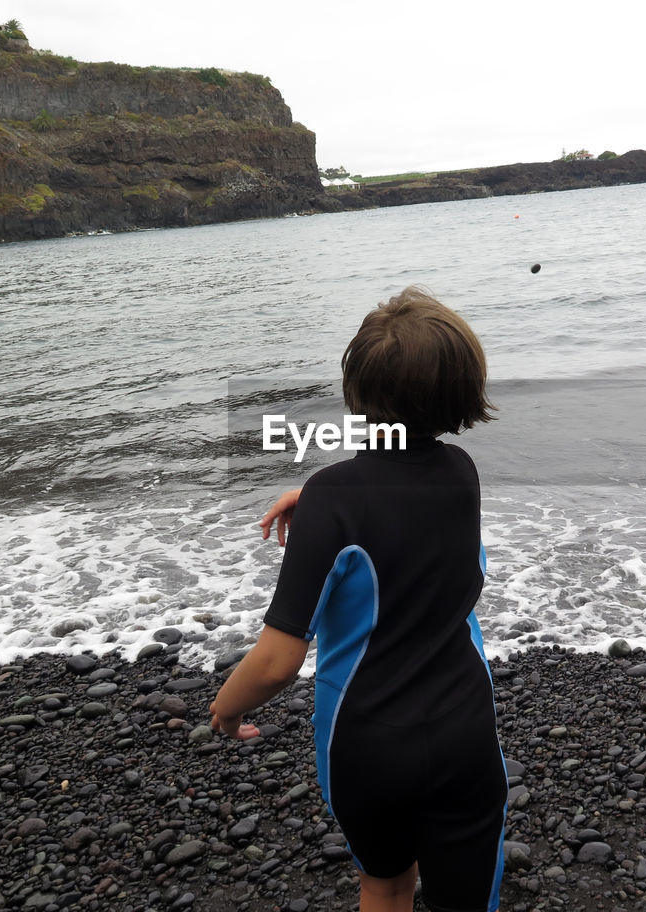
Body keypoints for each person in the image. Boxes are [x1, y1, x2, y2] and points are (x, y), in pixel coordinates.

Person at [209, 286, 507, 912]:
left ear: (357, 391)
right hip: (465, 730)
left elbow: (277, 662)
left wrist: (227, 711)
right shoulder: (463, 472)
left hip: (365, 742)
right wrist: (322, 501)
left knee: (386, 882)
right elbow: (403, 491)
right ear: (461, 387)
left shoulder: (333, 497)